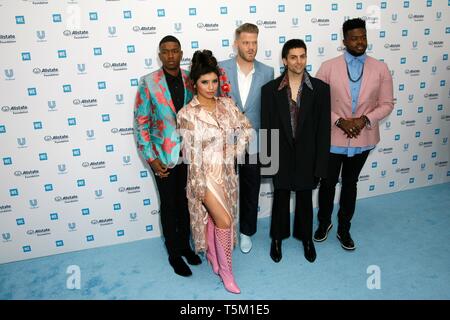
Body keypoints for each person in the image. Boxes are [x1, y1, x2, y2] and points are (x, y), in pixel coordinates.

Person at [314, 18, 394, 250]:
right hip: (332, 137)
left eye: (363, 37)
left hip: (363, 138)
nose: (360, 42)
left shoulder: (380, 68)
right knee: (327, 183)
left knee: (350, 183)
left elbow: (387, 103)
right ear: (344, 41)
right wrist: (339, 121)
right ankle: (324, 223)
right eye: (354, 38)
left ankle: (344, 228)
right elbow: (317, 103)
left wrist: (363, 120)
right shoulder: (328, 67)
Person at [177, 50, 253, 294]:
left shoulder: (227, 105)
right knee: (225, 221)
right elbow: (191, 155)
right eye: (204, 82)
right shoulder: (187, 114)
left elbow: (247, 129)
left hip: (227, 174)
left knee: (215, 218)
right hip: (203, 176)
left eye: (214, 81)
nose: (211, 87)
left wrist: (233, 150)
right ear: (194, 84)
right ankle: (227, 272)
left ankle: (213, 255)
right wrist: (199, 186)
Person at [134, 35, 201, 277]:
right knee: (170, 204)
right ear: (160, 55)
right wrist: (151, 159)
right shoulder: (148, 83)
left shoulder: (190, 80)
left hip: (189, 156)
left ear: (181, 53)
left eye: (175, 51)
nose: (171, 55)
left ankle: (186, 246)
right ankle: (174, 253)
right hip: (162, 156)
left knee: (186, 203)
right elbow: (141, 124)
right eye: (166, 51)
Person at [261, 39, 331, 263]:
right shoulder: (270, 90)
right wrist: (268, 162)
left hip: (307, 156)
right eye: (293, 57)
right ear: (285, 60)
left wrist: (321, 165)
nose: (298, 61)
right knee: (280, 198)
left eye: (302, 56)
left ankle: (306, 239)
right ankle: (277, 239)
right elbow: (267, 128)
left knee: (304, 198)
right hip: (280, 156)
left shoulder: (320, 89)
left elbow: (323, 131)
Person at [218, 23, 274, 253]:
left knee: (251, 190)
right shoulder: (221, 68)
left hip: (255, 140)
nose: (251, 47)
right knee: (224, 189)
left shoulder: (267, 71)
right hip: (225, 141)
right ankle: (224, 231)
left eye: (254, 42)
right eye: (246, 42)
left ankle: (246, 233)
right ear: (236, 43)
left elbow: (269, 108)